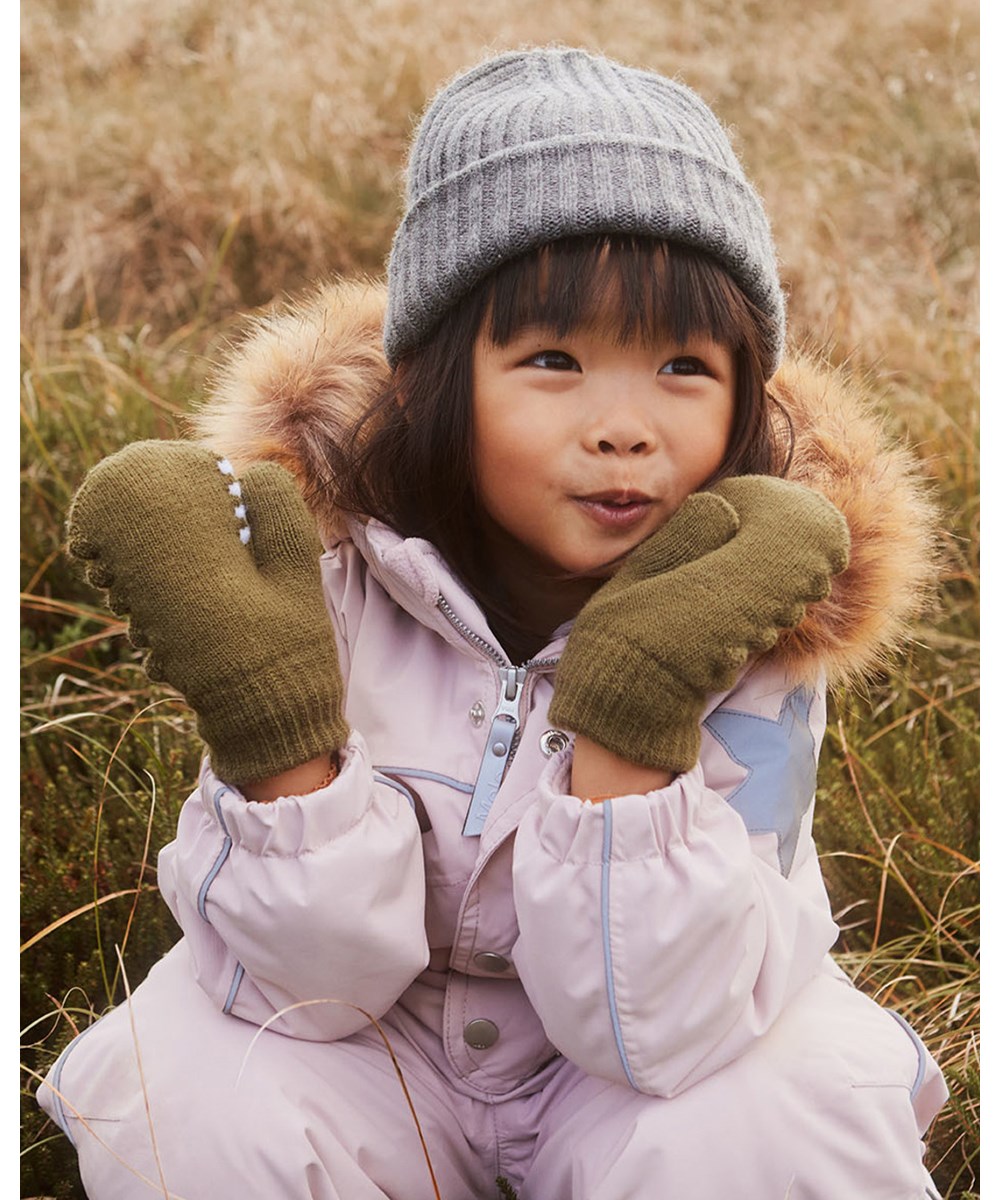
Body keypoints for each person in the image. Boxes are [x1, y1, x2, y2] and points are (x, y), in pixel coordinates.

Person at [38, 46, 948, 1199]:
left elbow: (665, 1026)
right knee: (198, 1099)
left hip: (639, 1067)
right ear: (433, 384)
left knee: (781, 1116)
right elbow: (307, 993)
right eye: (553, 360)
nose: (623, 427)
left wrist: (631, 726)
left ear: (745, 395)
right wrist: (276, 736)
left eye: (681, 365)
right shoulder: (325, 578)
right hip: (377, 1052)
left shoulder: (756, 610)